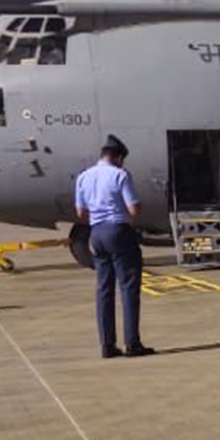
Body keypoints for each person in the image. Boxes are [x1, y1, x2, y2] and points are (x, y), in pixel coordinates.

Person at [74, 133, 152, 358]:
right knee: (128, 286)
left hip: (96, 233)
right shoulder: (120, 175)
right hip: (118, 230)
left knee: (104, 288)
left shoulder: (84, 177)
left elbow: (80, 213)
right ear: (118, 157)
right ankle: (132, 343)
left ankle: (107, 345)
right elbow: (134, 208)